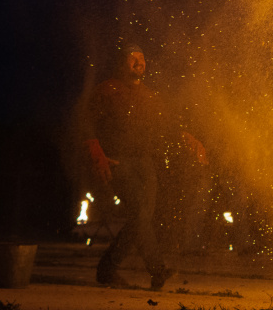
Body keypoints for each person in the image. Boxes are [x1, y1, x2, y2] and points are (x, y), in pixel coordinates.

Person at [83, 44, 207, 290]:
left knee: (142, 218)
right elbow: (86, 122)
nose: (140, 63)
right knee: (140, 213)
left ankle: (108, 268)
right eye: (133, 58)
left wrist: (187, 137)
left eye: (142, 58)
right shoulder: (107, 90)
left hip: (145, 164)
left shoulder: (149, 97)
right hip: (117, 161)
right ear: (121, 64)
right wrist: (95, 150)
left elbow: (167, 125)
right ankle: (156, 269)